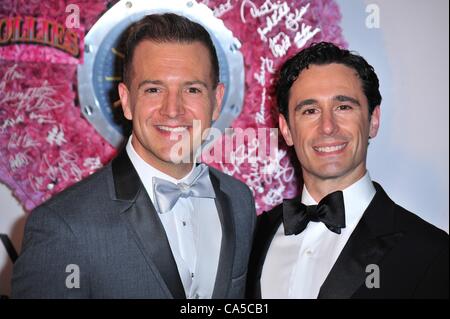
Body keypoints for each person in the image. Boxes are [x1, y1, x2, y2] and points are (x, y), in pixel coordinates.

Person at [12, 13, 256, 299]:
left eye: (192, 89)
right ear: (126, 101)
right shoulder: (63, 226)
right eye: (154, 89)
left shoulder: (239, 201)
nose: (173, 110)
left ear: (216, 102)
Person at [247, 42, 448, 299]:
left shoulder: (430, 252)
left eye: (343, 107)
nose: (327, 127)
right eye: (310, 111)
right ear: (286, 129)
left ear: (373, 120)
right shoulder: (253, 237)